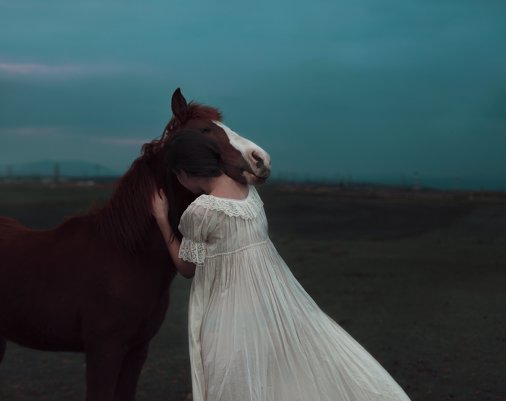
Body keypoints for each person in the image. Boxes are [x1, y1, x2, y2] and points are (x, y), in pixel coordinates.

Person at [151, 131, 412, 401]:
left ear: (184, 172)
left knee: (233, 379)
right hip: (270, 301)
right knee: (281, 371)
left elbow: (187, 268)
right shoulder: (248, 193)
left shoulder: (201, 211)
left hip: (228, 311)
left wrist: (162, 219)